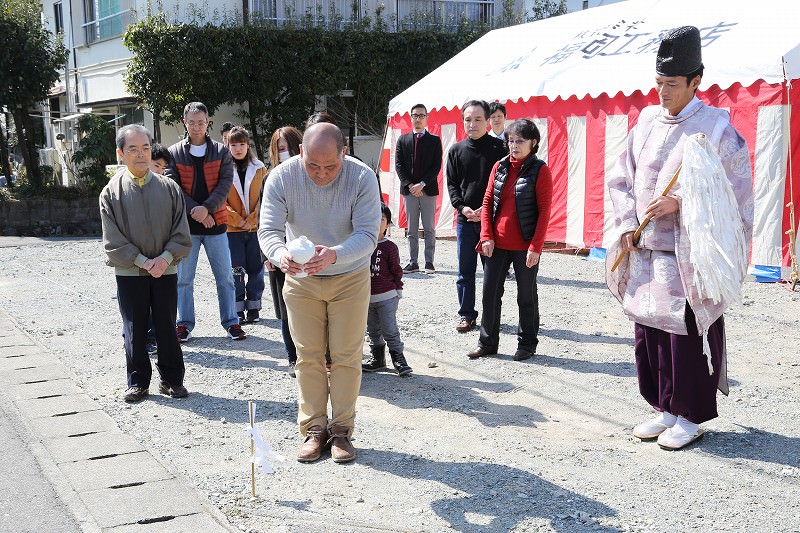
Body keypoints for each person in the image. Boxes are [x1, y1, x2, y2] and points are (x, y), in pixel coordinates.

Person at [606, 26, 754, 450]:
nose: (663, 93)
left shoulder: (716, 130)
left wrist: (682, 204)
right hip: (646, 247)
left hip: (687, 253)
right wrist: (626, 226)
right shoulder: (647, 121)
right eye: (658, 84)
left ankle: (691, 414)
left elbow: (735, 196)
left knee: (684, 333)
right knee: (648, 331)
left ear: (695, 82)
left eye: (672, 85)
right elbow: (622, 177)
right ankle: (664, 407)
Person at [259, 122, 381, 464]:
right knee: (307, 356)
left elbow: (369, 234)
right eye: (313, 166)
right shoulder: (282, 177)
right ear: (301, 153)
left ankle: (342, 430)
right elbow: (267, 229)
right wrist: (278, 254)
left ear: (344, 152)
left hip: (350, 275)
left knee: (346, 355)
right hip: (300, 279)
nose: (321, 174)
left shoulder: (361, 177)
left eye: (331, 166)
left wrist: (336, 253)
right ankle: (314, 429)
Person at [99, 125, 192, 403]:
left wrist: (164, 259)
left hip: (166, 268)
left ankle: (172, 380)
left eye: (146, 148)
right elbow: (112, 240)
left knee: (166, 325)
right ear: (120, 153)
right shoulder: (111, 193)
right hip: (129, 272)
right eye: (133, 149)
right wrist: (142, 261)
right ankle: (138, 382)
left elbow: (181, 231)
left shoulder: (169, 188)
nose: (141, 155)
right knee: (134, 327)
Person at [468, 119, 553, 362]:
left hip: (525, 245)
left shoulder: (541, 170)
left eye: (520, 141)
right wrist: (486, 235)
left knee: (526, 295)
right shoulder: (499, 166)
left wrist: (536, 247)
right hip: (496, 243)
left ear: (533, 143)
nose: (514, 145)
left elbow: (545, 211)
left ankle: (526, 344)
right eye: (511, 140)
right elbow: (486, 203)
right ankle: (487, 342)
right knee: (490, 294)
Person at [164, 101, 246, 342]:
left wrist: (207, 210)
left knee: (225, 278)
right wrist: (196, 212)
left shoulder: (221, 151)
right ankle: (184, 324)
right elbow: (173, 186)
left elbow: (225, 184)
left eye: (201, 122)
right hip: (187, 227)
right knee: (183, 280)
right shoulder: (174, 153)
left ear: (208, 122)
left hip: (216, 224)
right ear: (184, 123)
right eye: (192, 122)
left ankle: (232, 322)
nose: (197, 127)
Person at [446, 100, 506, 333]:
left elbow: (504, 186)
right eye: (468, 120)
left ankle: (492, 316)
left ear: (488, 120)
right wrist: (462, 208)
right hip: (465, 220)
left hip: (491, 221)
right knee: (465, 271)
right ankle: (467, 314)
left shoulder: (499, 150)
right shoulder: (456, 150)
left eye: (478, 119)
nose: (472, 124)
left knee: (493, 272)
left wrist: (486, 210)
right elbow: (451, 185)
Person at [264, 125, 303, 376]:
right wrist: (267, 255)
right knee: (287, 311)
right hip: (281, 256)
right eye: (280, 149)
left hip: (308, 256)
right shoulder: (269, 179)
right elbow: (263, 223)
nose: (284, 153)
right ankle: (292, 358)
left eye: (288, 148)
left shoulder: (308, 175)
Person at [362, 204, 411, 376]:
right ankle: (378, 359)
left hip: (387, 296)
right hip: (366, 298)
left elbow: (396, 270)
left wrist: (398, 289)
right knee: (373, 330)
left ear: (388, 224)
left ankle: (399, 359)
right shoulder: (360, 244)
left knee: (390, 329)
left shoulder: (390, 247)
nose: (377, 222)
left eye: (381, 219)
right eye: (374, 218)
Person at [225, 126, 267, 324]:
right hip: (232, 229)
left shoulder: (260, 168)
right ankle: (237, 308)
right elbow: (220, 200)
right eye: (234, 145)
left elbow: (265, 198)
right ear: (228, 146)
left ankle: (254, 306)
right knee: (235, 269)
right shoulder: (222, 168)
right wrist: (236, 219)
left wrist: (251, 220)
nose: (238, 148)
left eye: (242, 144)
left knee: (256, 268)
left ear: (248, 145)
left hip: (255, 228)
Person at [395, 104, 443, 274]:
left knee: (429, 228)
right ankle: (413, 262)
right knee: (412, 229)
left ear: (426, 118)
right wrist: (410, 186)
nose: (418, 118)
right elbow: (399, 165)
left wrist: (422, 184)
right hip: (409, 191)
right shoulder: (403, 140)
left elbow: (436, 166)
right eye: (415, 115)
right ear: (411, 117)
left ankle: (429, 262)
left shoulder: (435, 140)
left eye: (421, 115)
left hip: (428, 190)